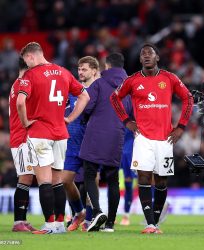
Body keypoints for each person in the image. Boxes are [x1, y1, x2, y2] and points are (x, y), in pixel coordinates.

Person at [110, 43, 193, 234]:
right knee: (144, 176)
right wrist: (126, 120)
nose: (146, 56)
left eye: (150, 53)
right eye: (143, 54)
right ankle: (149, 224)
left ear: (157, 58)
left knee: (161, 181)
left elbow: (188, 98)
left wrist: (181, 126)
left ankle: (154, 222)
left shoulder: (169, 78)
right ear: (140, 59)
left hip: (165, 139)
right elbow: (114, 98)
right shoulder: (132, 80)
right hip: (143, 138)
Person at [16, 42, 90, 234]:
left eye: (25, 60)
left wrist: (25, 122)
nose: (26, 64)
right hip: (60, 132)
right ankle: (58, 225)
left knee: (44, 181)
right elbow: (85, 97)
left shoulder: (29, 75)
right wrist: (71, 118)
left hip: (40, 132)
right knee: (57, 180)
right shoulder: (63, 72)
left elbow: (20, 101)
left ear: (31, 56)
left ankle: (49, 225)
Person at [79, 53, 132, 233]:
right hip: (117, 136)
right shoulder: (130, 87)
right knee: (113, 180)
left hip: (95, 134)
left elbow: (87, 106)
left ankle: (97, 211)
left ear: (107, 67)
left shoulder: (99, 83)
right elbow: (131, 112)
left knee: (89, 173)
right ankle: (110, 223)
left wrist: (86, 119)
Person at [62, 56, 100, 232]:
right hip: (71, 142)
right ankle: (79, 213)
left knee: (92, 181)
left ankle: (91, 219)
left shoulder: (100, 91)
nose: (80, 72)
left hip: (91, 143)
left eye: (84, 69)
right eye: (79, 69)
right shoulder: (71, 91)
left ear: (94, 70)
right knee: (65, 180)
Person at [9, 57, 37, 232]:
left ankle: (23, 220)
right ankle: (18, 221)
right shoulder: (22, 85)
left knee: (28, 177)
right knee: (25, 177)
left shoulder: (17, 84)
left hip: (23, 136)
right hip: (21, 137)